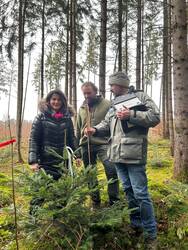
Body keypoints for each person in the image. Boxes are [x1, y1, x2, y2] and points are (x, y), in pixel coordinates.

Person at [84, 72, 160, 249]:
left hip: (134, 154)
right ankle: (136, 225)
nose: (110, 88)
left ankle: (151, 234)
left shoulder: (140, 96)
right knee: (127, 190)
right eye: (110, 85)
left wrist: (131, 114)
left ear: (122, 84)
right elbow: (107, 123)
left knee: (141, 193)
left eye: (113, 85)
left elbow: (155, 117)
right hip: (117, 154)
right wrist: (94, 129)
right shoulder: (114, 104)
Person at [76, 81, 119, 207]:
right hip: (86, 145)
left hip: (104, 143)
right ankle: (95, 201)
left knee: (111, 170)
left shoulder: (107, 104)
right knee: (90, 174)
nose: (86, 96)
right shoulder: (82, 108)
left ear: (95, 92)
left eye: (89, 93)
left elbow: (113, 124)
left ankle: (114, 202)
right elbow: (78, 128)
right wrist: (78, 149)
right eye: (84, 93)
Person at [28, 89, 78, 180]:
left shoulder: (67, 118)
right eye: (54, 99)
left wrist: (77, 156)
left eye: (59, 100)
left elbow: (72, 138)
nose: (56, 102)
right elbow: (34, 139)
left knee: (64, 190)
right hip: (45, 162)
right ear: (49, 101)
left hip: (64, 162)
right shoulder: (41, 117)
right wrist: (33, 161)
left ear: (63, 102)